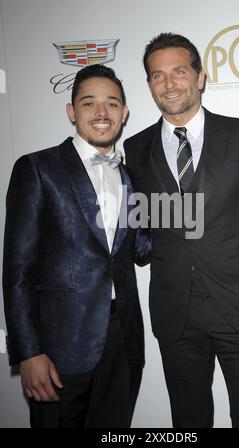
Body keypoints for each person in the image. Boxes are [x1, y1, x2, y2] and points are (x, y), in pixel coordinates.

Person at [124, 33, 239, 428]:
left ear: (200, 76)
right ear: (149, 84)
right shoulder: (135, 148)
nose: (169, 84)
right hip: (175, 315)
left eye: (179, 72)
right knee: (188, 422)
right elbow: (143, 228)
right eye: (157, 76)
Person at [2, 64, 150, 428]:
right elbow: (16, 269)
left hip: (123, 340)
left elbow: (142, 249)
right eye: (89, 103)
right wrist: (28, 352)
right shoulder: (37, 168)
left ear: (124, 113)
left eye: (112, 104)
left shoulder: (132, 177)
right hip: (58, 347)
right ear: (71, 111)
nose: (102, 113)